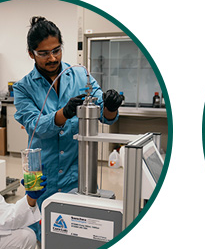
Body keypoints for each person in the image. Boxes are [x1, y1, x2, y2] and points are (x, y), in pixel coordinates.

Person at [13, 16, 123, 231]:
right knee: (45, 236)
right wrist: (63, 113)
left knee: (81, 231)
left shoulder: (81, 75)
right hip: (42, 178)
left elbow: (103, 114)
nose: (52, 58)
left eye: (57, 50)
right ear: (31, 54)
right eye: (44, 53)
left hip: (78, 174)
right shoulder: (22, 88)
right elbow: (35, 126)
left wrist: (111, 106)